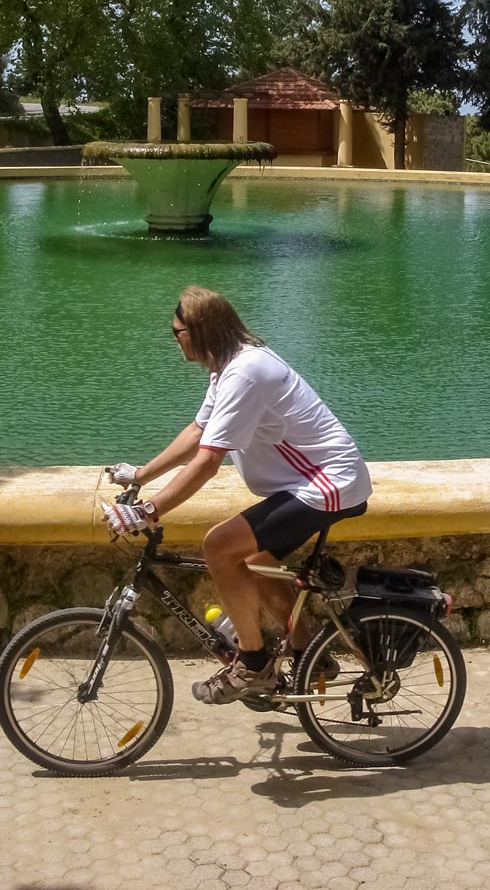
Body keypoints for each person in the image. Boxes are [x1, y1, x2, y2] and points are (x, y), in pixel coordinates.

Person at [102, 285, 372, 705]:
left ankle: (252, 663)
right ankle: (308, 656)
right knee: (257, 562)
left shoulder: (245, 373)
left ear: (199, 331)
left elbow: (208, 462)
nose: (173, 338)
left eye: (177, 331)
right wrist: (140, 474)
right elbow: (197, 433)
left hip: (328, 482)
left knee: (220, 546)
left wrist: (148, 511)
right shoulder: (227, 367)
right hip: (306, 484)